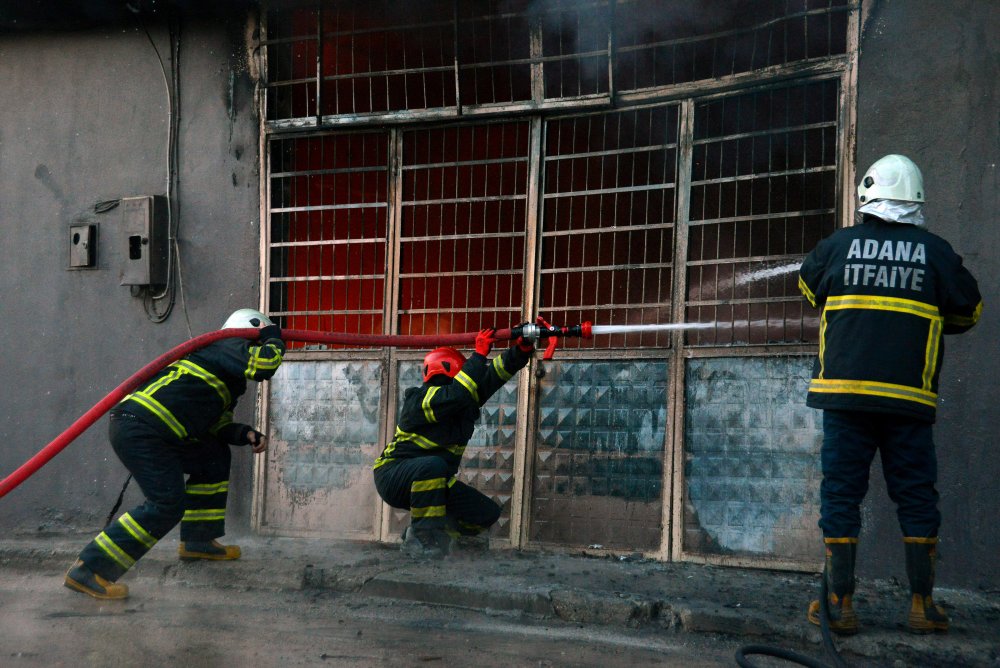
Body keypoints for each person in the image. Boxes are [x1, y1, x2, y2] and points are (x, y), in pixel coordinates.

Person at [797, 154, 982, 635]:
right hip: (908, 404)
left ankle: (839, 602)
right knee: (916, 497)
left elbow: (808, 288)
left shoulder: (838, 246)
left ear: (867, 197)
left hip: (844, 399)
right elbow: (968, 313)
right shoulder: (937, 254)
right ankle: (922, 606)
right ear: (915, 200)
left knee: (841, 495)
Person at [64, 308, 286, 599]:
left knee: (213, 456)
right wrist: (274, 338)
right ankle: (89, 570)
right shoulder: (226, 344)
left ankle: (199, 541)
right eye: (254, 344)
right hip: (143, 429)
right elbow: (264, 364)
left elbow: (216, 424)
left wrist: (243, 433)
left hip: (154, 431)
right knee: (166, 504)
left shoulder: (225, 373)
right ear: (248, 334)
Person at [373, 327, 534, 558]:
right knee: (433, 465)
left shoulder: (462, 400)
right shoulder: (419, 400)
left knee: (486, 513)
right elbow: (456, 394)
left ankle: (443, 539)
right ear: (449, 370)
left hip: (433, 479)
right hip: (393, 476)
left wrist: (522, 349)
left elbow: (494, 375)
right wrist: (478, 355)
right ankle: (421, 538)